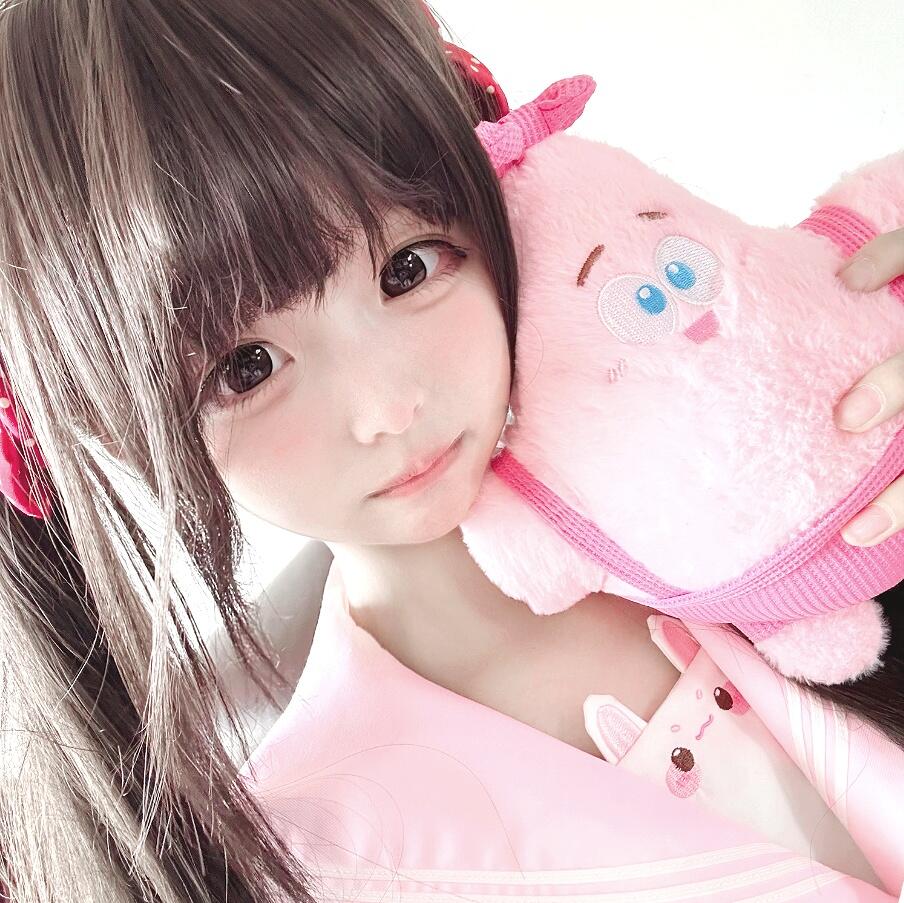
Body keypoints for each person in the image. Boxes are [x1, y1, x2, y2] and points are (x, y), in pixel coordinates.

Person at [0, 0, 902, 900]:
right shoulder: (303, 861)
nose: (388, 408)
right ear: (101, 429)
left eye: (408, 268)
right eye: (247, 368)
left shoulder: (776, 457)